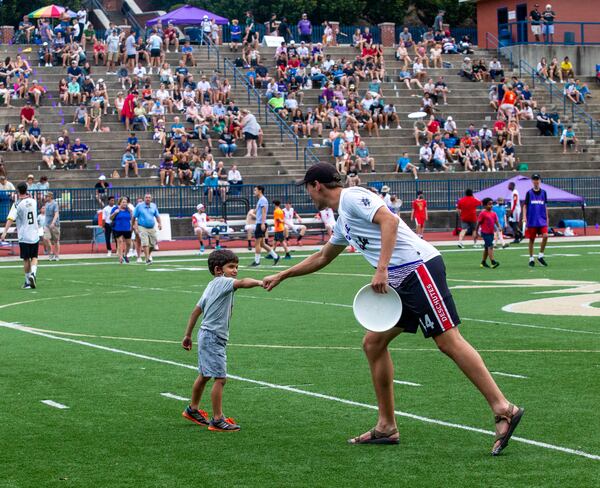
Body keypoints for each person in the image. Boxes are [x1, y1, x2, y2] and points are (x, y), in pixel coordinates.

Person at [262, 163, 524, 453]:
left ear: (316, 185)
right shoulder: (342, 219)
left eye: (308, 188)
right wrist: (283, 274)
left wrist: (382, 268)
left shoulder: (352, 197)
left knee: (448, 341)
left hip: (417, 268)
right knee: (373, 343)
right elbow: (323, 256)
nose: (308, 194)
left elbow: (389, 221)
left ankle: (504, 409)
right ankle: (386, 426)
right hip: (401, 278)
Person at [181, 249, 264, 431]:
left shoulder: (211, 285)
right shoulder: (224, 282)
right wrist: (259, 282)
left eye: (237, 267)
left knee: (205, 375)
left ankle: (192, 409)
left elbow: (196, 311)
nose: (235, 270)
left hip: (205, 334)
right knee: (220, 378)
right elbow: (242, 283)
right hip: (213, 337)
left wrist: (187, 335)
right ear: (219, 270)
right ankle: (217, 419)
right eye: (231, 267)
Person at [1, 182, 39, 289]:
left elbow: (10, 219)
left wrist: (4, 232)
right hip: (34, 234)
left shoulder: (17, 204)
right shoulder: (33, 201)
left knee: (26, 259)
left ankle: (27, 282)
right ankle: (33, 274)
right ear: (27, 189)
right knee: (35, 257)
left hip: (24, 235)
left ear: (17, 191)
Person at [523, 174, 549, 267]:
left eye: (537, 179)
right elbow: (525, 206)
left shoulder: (544, 193)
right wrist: (524, 217)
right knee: (531, 240)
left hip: (542, 220)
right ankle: (531, 258)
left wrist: (547, 217)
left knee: (546, 236)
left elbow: (545, 206)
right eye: (534, 179)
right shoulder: (529, 193)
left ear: (540, 181)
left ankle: (540, 255)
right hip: (532, 220)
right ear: (532, 181)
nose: (536, 181)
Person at [250, 186, 279, 266]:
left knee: (257, 243)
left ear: (260, 191)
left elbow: (263, 212)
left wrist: (262, 223)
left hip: (260, 224)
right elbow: (256, 211)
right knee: (262, 244)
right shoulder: (260, 200)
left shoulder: (263, 200)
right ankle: (276, 256)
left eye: (255, 190)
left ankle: (257, 261)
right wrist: (252, 212)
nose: (254, 191)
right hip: (260, 223)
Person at [133, 193, 162, 264]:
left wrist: (159, 223)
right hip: (142, 226)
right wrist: (133, 225)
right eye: (146, 197)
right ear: (144, 198)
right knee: (145, 243)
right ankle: (147, 259)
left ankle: (148, 255)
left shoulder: (154, 206)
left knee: (153, 244)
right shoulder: (139, 206)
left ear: (151, 199)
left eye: (149, 197)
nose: (148, 199)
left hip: (151, 227)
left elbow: (157, 215)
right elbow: (134, 216)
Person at [476, 198, 500, 269]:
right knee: (490, 246)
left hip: (491, 232)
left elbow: (496, 221)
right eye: (489, 204)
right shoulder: (483, 213)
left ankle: (483, 262)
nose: (491, 205)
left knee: (487, 247)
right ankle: (493, 262)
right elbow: (478, 223)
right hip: (485, 232)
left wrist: (499, 227)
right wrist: (476, 232)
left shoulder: (493, 213)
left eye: (492, 204)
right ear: (485, 205)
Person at [111, 196, 134, 264]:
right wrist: (115, 213)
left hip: (127, 228)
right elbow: (110, 218)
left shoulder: (128, 210)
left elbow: (132, 218)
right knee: (120, 242)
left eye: (126, 202)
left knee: (129, 244)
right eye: (123, 202)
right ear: (120, 202)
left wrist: (131, 213)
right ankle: (120, 257)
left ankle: (125, 255)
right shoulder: (115, 208)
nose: (125, 204)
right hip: (118, 229)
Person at [43, 192, 60, 261]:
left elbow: (56, 213)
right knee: (46, 238)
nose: (46, 197)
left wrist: (53, 222)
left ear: (50, 197)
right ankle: (50, 253)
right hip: (47, 224)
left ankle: (56, 255)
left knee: (56, 241)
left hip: (55, 224)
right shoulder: (46, 204)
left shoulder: (55, 204)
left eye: (47, 196)